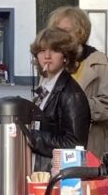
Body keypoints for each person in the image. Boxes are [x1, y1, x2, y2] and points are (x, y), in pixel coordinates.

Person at [48, 6, 108, 158]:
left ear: (80, 32)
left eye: (66, 30)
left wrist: (75, 107)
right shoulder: (53, 62)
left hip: (87, 146)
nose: (60, 36)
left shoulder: (100, 63)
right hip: (55, 145)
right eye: (56, 31)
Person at [26, 28, 90, 171]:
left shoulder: (72, 94)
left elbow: (75, 144)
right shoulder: (46, 84)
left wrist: (33, 138)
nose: (47, 56)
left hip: (57, 173)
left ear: (65, 56)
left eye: (54, 50)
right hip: (42, 168)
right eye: (42, 50)